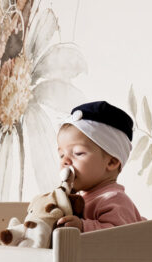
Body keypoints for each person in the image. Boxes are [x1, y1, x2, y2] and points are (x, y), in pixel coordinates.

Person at [55, 100, 144, 233]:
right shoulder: (78, 199)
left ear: (111, 162)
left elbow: (120, 236)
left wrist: (82, 227)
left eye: (78, 153)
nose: (65, 161)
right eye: (61, 155)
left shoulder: (114, 199)